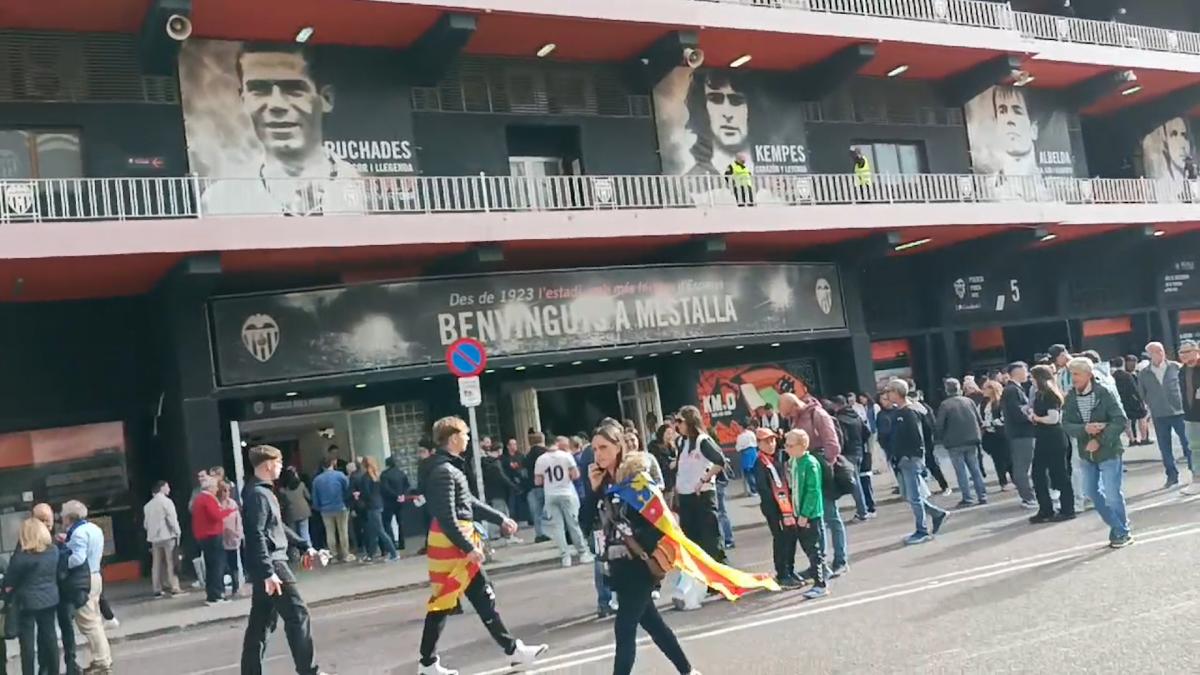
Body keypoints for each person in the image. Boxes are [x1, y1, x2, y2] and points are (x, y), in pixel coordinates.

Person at [417, 416, 547, 675]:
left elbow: (468, 503)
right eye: (465, 435)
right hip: (452, 545)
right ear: (453, 437)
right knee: (445, 602)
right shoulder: (444, 471)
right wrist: (468, 547)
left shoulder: (447, 468)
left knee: (473, 596)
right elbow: (448, 516)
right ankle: (428, 663)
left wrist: (499, 518)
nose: (468, 439)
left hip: (454, 542)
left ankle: (513, 651)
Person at [581, 423, 703, 675]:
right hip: (616, 566)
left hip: (639, 565)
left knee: (624, 628)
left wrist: (633, 537)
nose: (598, 454)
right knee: (653, 623)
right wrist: (592, 492)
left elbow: (659, 524)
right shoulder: (602, 482)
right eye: (594, 449)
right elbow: (584, 523)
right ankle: (688, 670)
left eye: (604, 447)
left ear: (618, 447)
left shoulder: (636, 481)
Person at [201, 43, 364, 216]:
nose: (276, 105)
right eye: (259, 90)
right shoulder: (219, 201)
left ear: (326, 99)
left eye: (293, 89)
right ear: (243, 100)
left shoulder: (363, 188)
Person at [239, 445, 333, 675]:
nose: (281, 467)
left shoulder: (260, 491)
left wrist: (304, 545)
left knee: (261, 625)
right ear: (269, 464)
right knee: (298, 615)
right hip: (274, 565)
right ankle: (308, 671)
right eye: (279, 463)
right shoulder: (259, 494)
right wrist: (268, 571)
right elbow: (256, 533)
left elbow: (276, 527)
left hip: (269, 565)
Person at [779, 385, 849, 578]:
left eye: (786, 412)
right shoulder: (797, 419)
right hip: (805, 471)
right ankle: (819, 564)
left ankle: (840, 561)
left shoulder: (817, 414)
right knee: (816, 520)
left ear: (793, 406)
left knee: (831, 517)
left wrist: (824, 466)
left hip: (819, 470)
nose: (785, 417)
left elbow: (832, 444)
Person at [1062, 358, 1132, 548]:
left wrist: (1099, 439)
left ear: (1088, 375)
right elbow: (1066, 424)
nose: (1073, 378)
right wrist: (1085, 429)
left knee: (1112, 494)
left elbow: (1120, 420)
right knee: (1091, 492)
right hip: (1086, 454)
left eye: (1076, 374)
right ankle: (1119, 527)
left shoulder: (1104, 393)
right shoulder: (1070, 397)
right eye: (1071, 374)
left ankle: (1122, 531)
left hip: (1108, 451)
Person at [884, 380, 949, 545]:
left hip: (910, 459)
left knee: (914, 496)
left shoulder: (908, 413)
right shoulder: (903, 411)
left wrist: (910, 456)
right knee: (912, 495)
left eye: (889, 391)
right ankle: (936, 514)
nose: (887, 395)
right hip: (906, 458)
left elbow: (917, 437)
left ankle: (922, 530)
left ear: (897, 392)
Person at [61, 500, 111, 674]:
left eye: (63, 515)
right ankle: (104, 658)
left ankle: (101, 661)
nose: (61, 518)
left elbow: (77, 559)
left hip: (84, 579)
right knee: (95, 619)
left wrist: (61, 561)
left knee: (88, 623)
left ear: (69, 517)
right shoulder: (94, 528)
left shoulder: (78, 533)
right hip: (96, 575)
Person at [672, 406, 727, 565]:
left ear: (690, 421)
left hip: (702, 494)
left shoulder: (702, 441)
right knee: (692, 537)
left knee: (709, 536)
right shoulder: (682, 442)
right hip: (685, 495)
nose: (678, 425)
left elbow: (720, 461)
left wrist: (704, 479)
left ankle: (719, 575)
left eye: (680, 421)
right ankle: (702, 577)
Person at [5, 518, 60, 675]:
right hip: (49, 599)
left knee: (27, 644)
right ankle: (54, 671)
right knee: (50, 638)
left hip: (27, 603)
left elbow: (10, 581)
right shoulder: (54, 551)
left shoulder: (21, 557)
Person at [1136, 341, 1192, 488]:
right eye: (1154, 352)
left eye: (1160, 350)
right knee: (1165, 447)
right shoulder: (1144, 373)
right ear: (1149, 355)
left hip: (1179, 411)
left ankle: (1195, 472)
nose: (1158, 354)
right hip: (1159, 414)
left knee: (1188, 444)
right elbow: (1142, 393)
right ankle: (1172, 476)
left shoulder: (1176, 367)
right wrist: (1152, 403)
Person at [752, 427, 802, 589]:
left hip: (785, 506)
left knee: (791, 536)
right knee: (781, 539)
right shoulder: (760, 463)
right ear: (758, 444)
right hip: (774, 508)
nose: (771, 444)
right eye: (766, 442)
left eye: (772, 440)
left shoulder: (776, 460)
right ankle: (782, 573)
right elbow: (763, 488)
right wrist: (777, 507)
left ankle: (790, 569)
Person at [784, 429, 829, 600]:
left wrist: (804, 514)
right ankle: (819, 574)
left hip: (810, 515)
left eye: (790, 445)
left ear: (802, 445)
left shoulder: (810, 463)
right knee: (808, 547)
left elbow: (813, 491)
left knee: (813, 548)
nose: (786, 448)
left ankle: (820, 584)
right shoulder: (795, 461)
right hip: (798, 512)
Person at [1028, 364, 1077, 524]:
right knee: (1038, 473)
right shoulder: (1041, 394)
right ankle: (1046, 508)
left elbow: (1053, 418)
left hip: (1053, 437)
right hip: (1044, 437)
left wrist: (1036, 418)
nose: (1031, 380)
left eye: (1032, 377)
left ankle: (1067, 509)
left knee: (1059, 473)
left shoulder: (1049, 395)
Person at [535, 438, 592, 567]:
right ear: (557, 444)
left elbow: (537, 481)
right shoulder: (566, 456)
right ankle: (583, 553)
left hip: (550, 494)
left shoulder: (541, 459)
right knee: (573, 524)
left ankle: (565, 557)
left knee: (557, 528)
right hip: (566, 492)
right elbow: (576, 474)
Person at [936, 378, 987, 507]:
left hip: (954, 442)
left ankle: (967, 497)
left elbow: (940, 425)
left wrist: (940, 438)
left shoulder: (945, 405)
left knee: (961, 471)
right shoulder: (969, 401)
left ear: (947, 390)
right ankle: (982, 495)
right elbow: (979, 420)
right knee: (975, 469)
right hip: (972, 439)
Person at [192, 475, 238, 605]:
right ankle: (217, 594)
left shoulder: (199, 499)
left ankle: (212, 594)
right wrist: (228, 511)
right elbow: (215, 516)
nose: (217, 489)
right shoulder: (208, 499)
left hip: (203, 536)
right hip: (211, 535)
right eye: (215, 486)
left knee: (211, 566)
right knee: (217, 565)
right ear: (210, 487)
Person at [1002, 361, 1039, 508]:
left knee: (1023, 466)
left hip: (1021, 433)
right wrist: (1032, 417)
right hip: (1021, 434)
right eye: (1025, 371)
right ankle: (1028, 497)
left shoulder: (1014, 389)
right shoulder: (1012, 390)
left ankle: (1029, 496)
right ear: (1017, 372)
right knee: (1022, 467)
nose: (1027, 374)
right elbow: (1018, 413)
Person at [832, 396, 873, 521]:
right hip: (858, 451)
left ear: (837, 405)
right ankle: (863, 509)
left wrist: (841, 451)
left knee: (854, 483)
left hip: (848, 453)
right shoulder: (855, 415)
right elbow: (867, 432)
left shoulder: (839, 419)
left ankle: (862, 511)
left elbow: (841, 438)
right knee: (857, 481)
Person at [143, 480, 183, 598]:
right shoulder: (167, 502)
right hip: (168, 536)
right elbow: (171, 519)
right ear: (162, 488)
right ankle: (174, 587)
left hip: (154, 538)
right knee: (171, 561)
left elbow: (145, 524)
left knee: (156, 564)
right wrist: (177, 531)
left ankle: (157, 588)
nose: (169, 489)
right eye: (167, 487)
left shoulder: (147, 506)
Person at [312, 456, 353, 562]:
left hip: (325, 509)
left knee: (329, 533)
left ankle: (333, 556)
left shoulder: (317, 480)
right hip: (341, 507)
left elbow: (315, 498)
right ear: (332, 464)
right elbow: (348, 489)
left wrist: (318, 507)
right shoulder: (340, 475)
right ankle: (345, 554)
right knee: (343, 531)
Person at [359, 457, 400, 563]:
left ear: (364, 465)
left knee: (380, 531)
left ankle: (394, 553)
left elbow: (366, 493)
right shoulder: (377, 476)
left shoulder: (365, 478)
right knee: (373, 531)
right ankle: (370, 556)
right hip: (378, 504)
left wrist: (359, 496)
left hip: (371, 506)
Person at [481, 444, 520, 544]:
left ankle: (498, 534)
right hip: (499, 492)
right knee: (502, 513)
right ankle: (504, 535)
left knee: (496, 511)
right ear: (499, 451)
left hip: (489, 491)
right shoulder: (496, 463)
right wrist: (514, 486)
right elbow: (502, 477)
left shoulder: (483, 463)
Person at [979, 380, 1012, 490]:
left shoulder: (1000, 403)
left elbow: (1004, 418)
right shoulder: (984, 403)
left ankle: (1013, 479)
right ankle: (1003, 481)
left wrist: (991, 423)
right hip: (990, 435)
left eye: (986, 388)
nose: (983, 391)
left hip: (1001, 435)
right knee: (997, 460)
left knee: (1007, 458)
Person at [1111, 356, 1148, 446]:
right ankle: (1143, 438)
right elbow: (1135, 389)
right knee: (1142, 418)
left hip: (1121, 401)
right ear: (1123, 364)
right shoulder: (1128, 375)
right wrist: (1141, 399)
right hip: (1133, 400)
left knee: (1127, 422)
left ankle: (1132, 440)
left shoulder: (1113, 376)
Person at [1179, 341, 1200, 496]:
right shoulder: (1182, 371)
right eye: (1181, 353)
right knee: (1194, 448)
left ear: (1196, 351)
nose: (1184, 356)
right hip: (1191, 416)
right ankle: (1197, 479)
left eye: (1187, 352)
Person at [218, 481, 245, 596]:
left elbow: (238, 520)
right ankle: (222, 588)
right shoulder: (217, 504)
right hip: (221, 538)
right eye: (224, 490)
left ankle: (236, 587)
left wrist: (239, 535)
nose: (227, 493)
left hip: (232, 539)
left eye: (228, 490)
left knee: (233, 564)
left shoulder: (233, 504)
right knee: (222, 565)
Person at [380, 456, 412, 551]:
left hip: (389, 502)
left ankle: (392, 543)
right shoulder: (401, 473)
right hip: (400, 502)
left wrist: (395, 496)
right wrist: (402, 495)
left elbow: (385, 488)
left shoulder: (384, 475)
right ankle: (402, 543)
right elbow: (407, 485)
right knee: (400, 522)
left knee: (387, 523)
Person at [524, 433, 551, 543]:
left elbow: (524, 472)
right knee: (550, 510)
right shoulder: (546, 453)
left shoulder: (527, 456)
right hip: (546, 485)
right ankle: (550, 531)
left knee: (536, 512)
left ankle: (540, 533)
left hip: (532, 487)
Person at [279, 468, 313, 548]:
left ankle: (296, 554)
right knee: (305, 532)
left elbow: (283, 503)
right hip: (304, 511)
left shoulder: (282, 490)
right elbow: (308, 496)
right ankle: (309, 551)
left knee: (293, 535)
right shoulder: (301, 485)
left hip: (291, 513)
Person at [735, 419, 758, 498]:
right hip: (754, 453)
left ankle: (754, 490)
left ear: (741, 426)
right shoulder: (751, 433)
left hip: (746, 454)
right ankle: (757, 489)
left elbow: (738, 448)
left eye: (738, 426)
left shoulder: (740, 436)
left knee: (749, 473)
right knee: (755, 471)